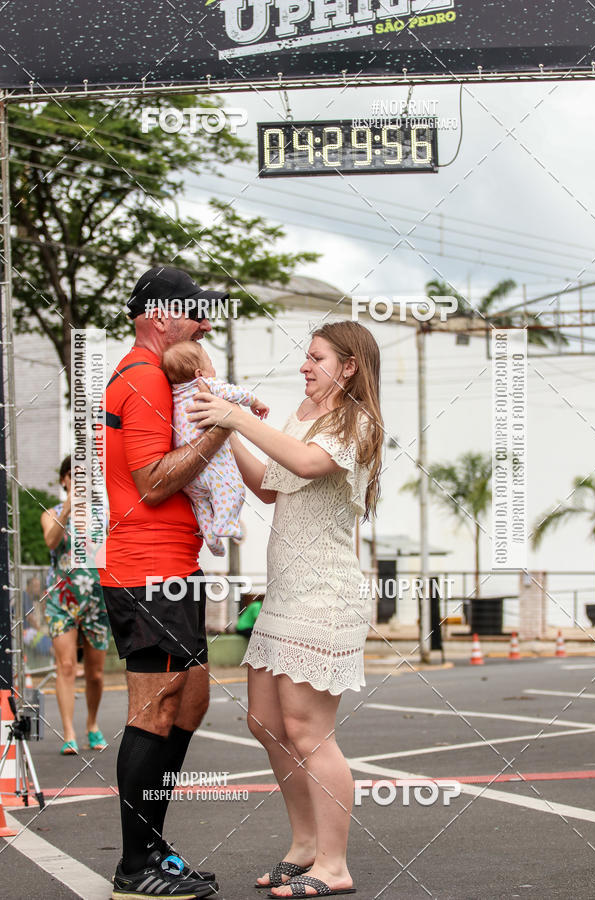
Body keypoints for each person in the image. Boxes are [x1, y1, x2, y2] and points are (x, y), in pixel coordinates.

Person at [190, 320, 383, 899]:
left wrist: (239, 417)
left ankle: (334, 864)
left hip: (324, 597)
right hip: (284, 593)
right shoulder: (304, 417)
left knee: (309, 731)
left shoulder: (360, 424)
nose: (304, 365)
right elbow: (272, 484)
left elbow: (304, 465)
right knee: (267, 723)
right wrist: (226, 431)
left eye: (316, 357)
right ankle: (303, 848)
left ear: (347, 366)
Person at [98, 266, 231, 900]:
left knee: (192, 700)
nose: (203, 323)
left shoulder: (154, 375)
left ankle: (152, 845)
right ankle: (135, 864)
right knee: (154, 710)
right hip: (145, 570)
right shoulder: (144, 377)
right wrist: (222, 425)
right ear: (158, 315)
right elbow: (154, 482)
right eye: (193, 312)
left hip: (173, 569)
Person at [161, 340, 269, 556]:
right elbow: (235, 393)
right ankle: (225, 525)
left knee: (202, 504)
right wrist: (255, 401)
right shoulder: (206, 385)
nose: (214, 369)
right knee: (234, 490)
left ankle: (211, 538)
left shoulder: (174, 395)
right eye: (210, 363)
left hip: (188, 472)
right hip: (213, 466)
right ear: (199, 372)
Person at [41, 455, 110, 755]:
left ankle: (92, 725)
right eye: (74, 474)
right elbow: (51, 542)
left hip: (97, 598)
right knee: (66, 666)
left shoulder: (103, 515)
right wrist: (68, 508)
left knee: (95, 673)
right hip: (63, 598)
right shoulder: (52, 513)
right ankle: (68, 732)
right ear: (64, 480)